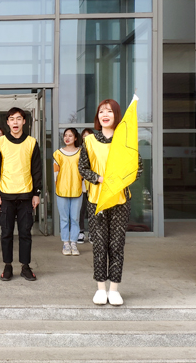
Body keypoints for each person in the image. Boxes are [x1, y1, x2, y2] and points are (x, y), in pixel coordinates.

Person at [79, 99, 142, 306]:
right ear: (97, 117)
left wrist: (119, 180)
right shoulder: (89, 141)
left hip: (120, 200)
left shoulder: (125, 141)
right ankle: (100, 288)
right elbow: (82, 168)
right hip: (96, 200)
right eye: (101, 112)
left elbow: (138, 168)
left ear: (116, 115)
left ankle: (114, 289)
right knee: (99, 245)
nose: (105, 115)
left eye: (109, 111)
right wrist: (98, 178)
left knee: (116, 245)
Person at [0, 107, 42, 282]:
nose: (15, 122)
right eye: (12, 119)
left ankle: (25, 266)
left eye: (19, 118)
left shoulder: (32, 142)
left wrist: (36, 193)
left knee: (25, 233)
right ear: (7, 122)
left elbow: (37, 170)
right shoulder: (0, 142)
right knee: (6, 233)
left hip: (26, 195)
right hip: (6, 196)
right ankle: (7, 266)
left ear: (24, 121)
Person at [53, 128, 83, 257]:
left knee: (75, 218)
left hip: (77, 190)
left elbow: (84, 171)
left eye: (70, 136)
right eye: (65, 135)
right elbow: (55, 173)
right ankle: (66, 243)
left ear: (75, 138)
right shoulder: (58, 154)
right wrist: (57, 187)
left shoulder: (81, 153)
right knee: (64, 218)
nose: (67, 138)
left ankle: (74, 243)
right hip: (62, 190)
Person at [78, 128, 95, 244]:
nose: (86, 138)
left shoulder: (96, 150)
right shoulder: (78, 151)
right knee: (81, 210)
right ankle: (81, 232)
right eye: (84, 136)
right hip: (81, 185)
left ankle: (92, 233)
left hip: (93, 185)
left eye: (88, 136)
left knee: (93, 211)